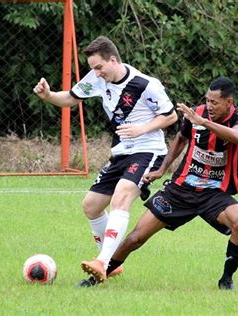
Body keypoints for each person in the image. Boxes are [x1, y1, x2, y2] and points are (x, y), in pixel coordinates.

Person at [33, 36, 178, 285]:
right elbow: (70, 98)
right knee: (91, 206)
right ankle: (110, 261)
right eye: (93, 68)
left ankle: (104, 262)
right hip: (121, 152)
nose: (96, 73)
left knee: (121, 197)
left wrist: (142, 128)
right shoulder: (99, 79)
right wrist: (48, 96)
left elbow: (170, 116)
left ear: (113, 59)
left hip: (148, 150)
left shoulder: (146, 84)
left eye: (99, 67)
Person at [82, 76, 238, 289]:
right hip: (180, 190)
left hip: (213, 194)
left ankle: (226, 280)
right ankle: (100, 273)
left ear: (229, 102)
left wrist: (205, 123)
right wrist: (162, 169)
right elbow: (181, 138)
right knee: (136, 238)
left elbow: (237, 137)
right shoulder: (195, 114)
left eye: (214, 102)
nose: (209, 106)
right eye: (207, 100)